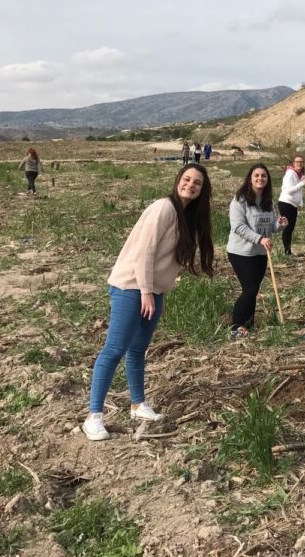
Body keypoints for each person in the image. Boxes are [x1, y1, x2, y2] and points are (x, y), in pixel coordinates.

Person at [82, 163, 214, 441]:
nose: (190, 185)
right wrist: (145, 291)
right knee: (115, 349)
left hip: (152, 290)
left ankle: (138, 404)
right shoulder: (164, 208)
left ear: (203, 190)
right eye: (186, 179)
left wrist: (155, 291)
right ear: (178, 180)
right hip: (131, 286)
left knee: (138, 349)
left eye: (197, 183)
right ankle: (93, 416)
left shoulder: (186, 215)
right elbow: (145, 252)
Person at [227, 164, 288, 339]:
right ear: (250, 178)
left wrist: (280, 225)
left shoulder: (269, 202)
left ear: (267, 180)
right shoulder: (239, 200)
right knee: (250, 289)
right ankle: (236, 326)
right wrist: (260, 239)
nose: (260, 178)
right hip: (241, 252)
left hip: (261, 252)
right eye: (256, 175)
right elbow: (238, 227)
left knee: (254, 290)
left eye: (263, 176)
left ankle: (248, 324)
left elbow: (270, 227)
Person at [278, 156, 305, 256]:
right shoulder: (290, 174)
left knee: (291, 228)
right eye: (297, 162)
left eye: (301, 162)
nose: (299, 164)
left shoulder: (301, 175)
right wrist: (301, 183)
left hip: (293, 204)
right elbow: (289, 190)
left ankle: (288, 251)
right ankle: (287, 252)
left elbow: (299, 192)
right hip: (286, 202)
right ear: (293, 163)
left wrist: (300, 203)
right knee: (287, 228)